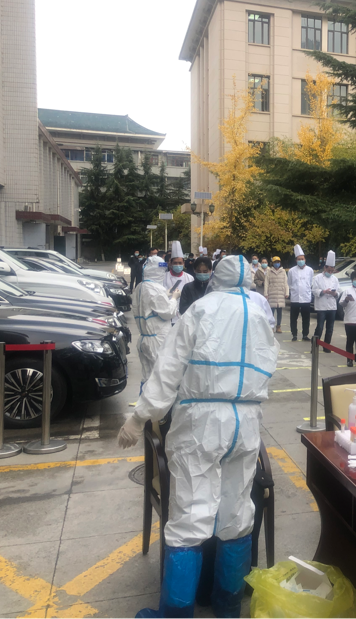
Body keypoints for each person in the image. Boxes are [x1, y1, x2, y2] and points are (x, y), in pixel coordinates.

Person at [118, 255, 279, 619]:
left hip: (202, 422)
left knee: (189, 518)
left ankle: (176, 613)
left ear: (215, 278)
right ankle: (227, 606)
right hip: (246, 421)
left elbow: (168, 370)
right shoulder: (260, 314)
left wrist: (139, 417)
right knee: (237, 514)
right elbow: (269, 364)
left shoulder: (201, 310)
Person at [132, 256, 180, 390]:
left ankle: (144, 402)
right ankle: (157, 404)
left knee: (147, 377)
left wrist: (166, 294)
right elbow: (168, 312)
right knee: (161, 379)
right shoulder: (156, 289)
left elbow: (149, 304)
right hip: (157, 341)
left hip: (144, 339)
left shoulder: (140, 286)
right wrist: (174, 298)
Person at [311, 251, 340, 353]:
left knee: (330, 328)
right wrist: (323, 292)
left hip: (332, 306)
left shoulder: (335, 279)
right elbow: (314, 290)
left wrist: (334, 293)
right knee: (320, 327)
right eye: (329, 270)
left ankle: (327, 346)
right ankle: (314, 346)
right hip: (321, 306)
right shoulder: (317, 278)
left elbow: (339, 292)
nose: (330, 272)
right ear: (325, 268)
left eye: (332, 271)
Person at [164, 242, 195, 325]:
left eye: (180, 263)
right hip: (168, 316)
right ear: (170, 263)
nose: (178, 265)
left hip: (185, 317)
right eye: (175, 263)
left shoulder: (189, 278)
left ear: (183, 263)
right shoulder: (164, 277)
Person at [287, 244, 313, 341]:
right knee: (294, 318)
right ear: (296, 260)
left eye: (302, 259)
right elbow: (289, 283)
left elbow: (310, 282)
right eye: (299, 259)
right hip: (295, 298)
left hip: (306, 298)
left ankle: (305, 334)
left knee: (306, 318)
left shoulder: (310, 270)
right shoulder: (291, 271)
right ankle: (294, 334)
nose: (301, 260)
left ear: (305, 259)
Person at [264, 256, 288, 334]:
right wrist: (266, 293)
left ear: (280, 263)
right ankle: (271, 327)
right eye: (275, 262)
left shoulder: (283, 271)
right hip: (272, 294)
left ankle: (278, 326)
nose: (277, 264)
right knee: (271, 312)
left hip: (280, 294)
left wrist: (287, 292)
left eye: (278, 262)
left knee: (279, 312)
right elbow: (266, 283)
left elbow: (286, 283)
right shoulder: (269, 271)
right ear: (272, 263)